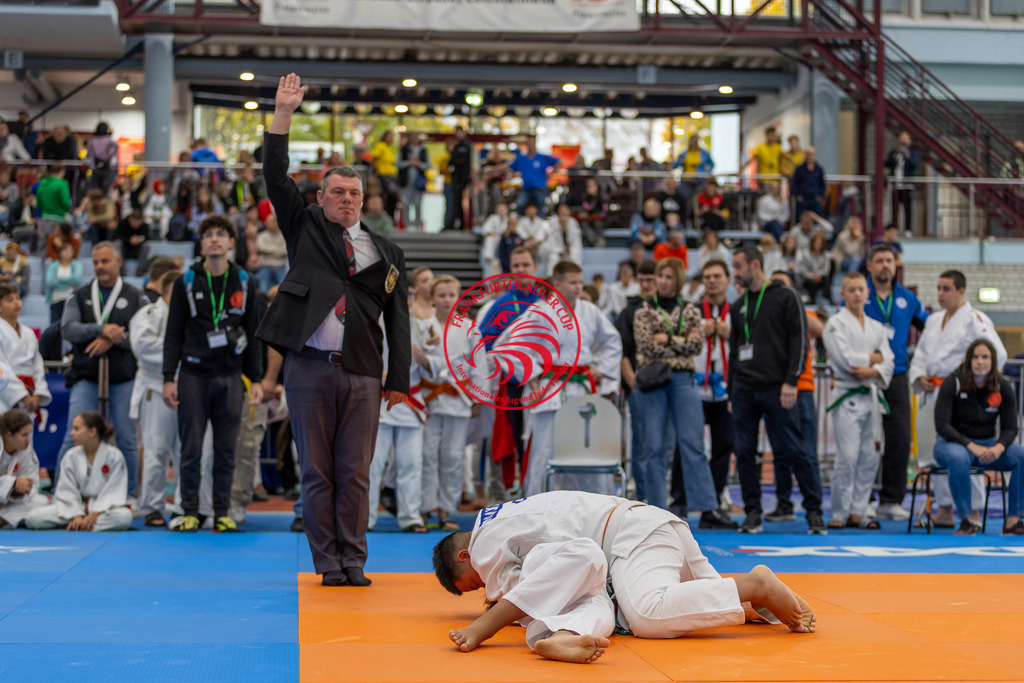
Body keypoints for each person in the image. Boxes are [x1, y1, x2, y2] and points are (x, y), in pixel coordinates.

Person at [258, 73, 410, 587]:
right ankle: (327, 562)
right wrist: (283, 114)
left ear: (365, 200)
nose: (346, 200)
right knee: (316, 473)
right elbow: (275, 175)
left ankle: (354, 560)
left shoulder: (387, 253)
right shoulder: (305, 229)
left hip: (365, 374)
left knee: (356, 474)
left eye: (354, 193)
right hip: (309, 370)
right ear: (320, 198)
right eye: (337, 192)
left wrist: (400, 380)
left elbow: (399, 319)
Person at [433, 491, 816, 663]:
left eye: (475, 582)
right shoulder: (501, 517)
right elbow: (548, 585)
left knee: (646, 615)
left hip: (631, 538)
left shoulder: (483, 541)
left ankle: (755, 584)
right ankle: (754, 599)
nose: (484, 586)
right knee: (591, 598)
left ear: (465, 556)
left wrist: (490, 615)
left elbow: (528, 593)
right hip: (646, 533)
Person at [162, 216, 263, 533]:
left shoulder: (245, 282)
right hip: (194, 373)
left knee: (226, 449)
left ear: (232, 242)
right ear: (202, 243)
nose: (215, 240)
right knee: (191, 448)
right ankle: (190, 510)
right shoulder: (186, 281)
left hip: (231, 376)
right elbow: (173, 333)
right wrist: (169, 377)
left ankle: (223, 511)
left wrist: (256, 378)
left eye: (221, 234)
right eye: (208, 235)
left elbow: (254, 333)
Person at [728, 246, 825, 534]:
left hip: (777, 388)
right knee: (744, 453)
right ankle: (752, 513)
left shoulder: (786, 296)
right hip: (744, 389)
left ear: (755, 265)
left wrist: (791, 380)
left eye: (738, 266)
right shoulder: (738, 306)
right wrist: (733, 390)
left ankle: (814, 511)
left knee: (794, 449)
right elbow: (735, 351)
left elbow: (800, 340)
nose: (735, 272)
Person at [633, 258, 733, 528]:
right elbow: (645, 345)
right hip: (653, 382)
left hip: (683, 381)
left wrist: (666, 339)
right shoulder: (643, 311)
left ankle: (707, 508)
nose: (663, 281)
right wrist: (680, 342)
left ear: (677, 280)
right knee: (654, 448)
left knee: (694, 444)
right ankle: (657, 511)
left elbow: (696, 345)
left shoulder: (691, 310)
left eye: (668, 277)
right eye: (660, 276)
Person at [512, 261, 621, 496]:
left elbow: (612, 341)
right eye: (573, 282)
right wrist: (531, 374)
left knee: (586, 450)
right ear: (557, 283)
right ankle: (537, 508)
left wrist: (601, 368)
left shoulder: (590, 311)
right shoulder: (539, 312)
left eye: (581, 282)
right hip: (550, 389)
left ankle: (592, 508)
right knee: (545, 450)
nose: (578, 287)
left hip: (581, 390)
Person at [909, 269, 1006, 528]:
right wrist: (919, 377)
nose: (941, 294)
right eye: (939, 288)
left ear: (961, 291)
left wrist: (975, 382)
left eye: (946, 289)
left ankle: (973, 510)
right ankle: (944, 509)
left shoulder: (975, 319)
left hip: (962, 395)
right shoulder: (932, 321)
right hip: (933, 394)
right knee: (934, 453)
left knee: (965, 449)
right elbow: (921, 355)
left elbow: (997, 354)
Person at [58, 242, 146, 498]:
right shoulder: (80, 294)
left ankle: (129, 495)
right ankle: (62, 494)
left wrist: (114, 337)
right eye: (96, 262)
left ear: (118, 262)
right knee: (72, 436)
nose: (100, 267)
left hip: (123, 376)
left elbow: (143, 337)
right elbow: (68, 328)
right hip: (86, 374)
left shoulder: (135, 296)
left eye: (105, 261)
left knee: (127, 439)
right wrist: (100, 330)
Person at [822, 273, 894, 529]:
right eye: (850, 290)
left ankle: (859, 511)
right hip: (847, 395)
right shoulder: (835, 324)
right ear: (842, 294)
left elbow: (889, 360)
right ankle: (839, 513)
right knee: (848, 456)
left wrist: (874, 370)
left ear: (867, 293)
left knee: (869, 457)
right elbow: (845, 361)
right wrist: (873, 359)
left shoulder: (876, 327)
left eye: (860, 289)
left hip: (872, 396)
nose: (856, 294)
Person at [862, 245, 928, 521]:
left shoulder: (907, 298)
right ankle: (862, 499)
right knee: (865, 439)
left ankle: (891, 499)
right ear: (870, 266)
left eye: (889, 260)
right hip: (865, 375)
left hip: (898, 375)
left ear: (896, 264)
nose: (885, 266)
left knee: (900, 438)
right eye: (879, 261)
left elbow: (930, 327)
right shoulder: (859, 294)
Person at [933, 339, 1024, 536]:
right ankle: (967, 520)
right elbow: (942, 425)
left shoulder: (1002, 386)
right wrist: (971, 445)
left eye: (985, 357)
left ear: (993, 361)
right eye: (975, 357)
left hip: (988, 445)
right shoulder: (953, 382)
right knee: (959, 457)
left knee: (1020, 455)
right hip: (951, 444)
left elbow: (1010, 428)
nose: (980, 362)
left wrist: (998, 448)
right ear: (968, 360)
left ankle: (1013, 520)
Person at [419, 275, 485, 528]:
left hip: (459, 399)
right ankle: (423, 509)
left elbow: (479, 366)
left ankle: (446, 510)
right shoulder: (424, 326)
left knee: (453, 457)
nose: (447, 300)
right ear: (433, 298)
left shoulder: (470, 328)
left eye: (451, 295)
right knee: (427, 455)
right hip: (429, 399)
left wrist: (478, 397)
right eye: (441, 295)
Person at [764, 270, 824, 524]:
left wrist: (795, 308)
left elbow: (820, 329)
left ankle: (814, 508)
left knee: (806, 451)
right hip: (776, 389)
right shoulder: (766, 315)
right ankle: (783, 503)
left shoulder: (804, 313)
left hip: (804, 388)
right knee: (780, 450)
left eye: (783, 285)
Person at [129, 269, 182, 527]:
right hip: (155, 385)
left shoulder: (192, 315)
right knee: (156, 449)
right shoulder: (147, 315)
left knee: (187, 451)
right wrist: (179, 356)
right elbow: (144, 349)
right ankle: (152, 506)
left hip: (188, 387)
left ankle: (185, 505)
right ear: (165, 290)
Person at [26, 411, 133, 531]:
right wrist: (76, 514)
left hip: (102, 510)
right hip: (74, 508)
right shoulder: (71, 456)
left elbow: (114, 490)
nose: (72, 433)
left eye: (77, 429)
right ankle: (82, 523)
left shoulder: (114, 456)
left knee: (124, 517)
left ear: (92, 432)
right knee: (33, 518)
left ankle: (81, 524)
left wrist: (96, 513)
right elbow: (67, 489)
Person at [693, 260, 736, 509]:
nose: (712, 281)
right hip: (697, 388)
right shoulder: (693, 311)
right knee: (690, 446)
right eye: (707, 276)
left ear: (727, 280)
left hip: (726, 390)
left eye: (717, 276)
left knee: (724, 446)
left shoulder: (738, 311)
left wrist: (732, 333)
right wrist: (702, 332)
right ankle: (686, 498)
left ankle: (715, 498)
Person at [0, 285, 51, 418]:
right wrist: (21, 395)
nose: (16, 302)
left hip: (29, 392)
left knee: (26, 436)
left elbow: (37, 366)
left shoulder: (29, 333)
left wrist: (38, 393)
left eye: (18, 298)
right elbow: (2, 367)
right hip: (4, 394)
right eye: (9, 300)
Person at [0, 409, 49, 528]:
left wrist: (21, 490)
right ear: (8, 434)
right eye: (24, 435)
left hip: (8, 504)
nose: (29, 440)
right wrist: (12, 483)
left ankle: (2, 519)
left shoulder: (27, 451)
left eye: (29, 434)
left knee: (41, 501)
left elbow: (33, 485)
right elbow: (12, 483)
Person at [510, 140, 560, 217]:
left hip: (540, 188)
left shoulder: (542, 157)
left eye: (532, 144)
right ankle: (523, 222)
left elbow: (559, 162)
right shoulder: (522, 159)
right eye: (529, 144)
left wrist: (551, 173)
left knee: (541, 208)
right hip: (526, 189)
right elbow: (510, 167)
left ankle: (540, 225)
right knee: (520, 205)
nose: (531, 146)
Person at [885, 131, 919, 233]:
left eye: (906, 138)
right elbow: (887, 163)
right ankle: (894, 228)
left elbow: (914, 165)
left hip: (907, 185)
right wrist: (896, 155)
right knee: (895, 208)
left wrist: (907, 155)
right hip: (896, 184)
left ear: (909, 141)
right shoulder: (894, 152)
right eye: (902, 137)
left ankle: (907, 229)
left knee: (907, 208)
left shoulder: (913, 153)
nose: (904, 140)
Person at [45, 242, 83, 325]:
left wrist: (59, 279)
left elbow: (76, 280)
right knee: (54, 326)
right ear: (60, 252)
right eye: (65, 250)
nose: (68, 253)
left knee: (70, 325)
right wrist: (68, 283)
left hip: (70, 299)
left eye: (70, 251)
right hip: (56, 299)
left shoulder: (77, 265)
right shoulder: (53, 265)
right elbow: (50, 282)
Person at [397, 132, 428, 231]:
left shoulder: (423, 150)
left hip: (419, 182)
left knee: (418, 203)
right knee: (405, 203)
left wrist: (419, 164)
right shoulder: (404, 150)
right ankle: (406, 225)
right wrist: (409, 163)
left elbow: (428, 165)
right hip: (405, 181)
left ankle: (418, 225)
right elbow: (397, 163)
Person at [36, 163, 73, 242]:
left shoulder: (42, 184)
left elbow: (38, 204)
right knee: (57, 245)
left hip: (44, 218)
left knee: (44, 244)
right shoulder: (62, 183)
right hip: (58, 218)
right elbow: (66, 203)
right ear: (62, 171)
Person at [542, 203, 583, 273]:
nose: (563, 216)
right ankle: (551, 279)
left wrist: (568, 251)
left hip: (570, 252)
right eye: (562, 213)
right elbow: (551, 242)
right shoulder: (552, 223)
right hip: (556, 252)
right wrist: (561, 252)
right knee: (553, 258)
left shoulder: (573, 223)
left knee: (575, 255)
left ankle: (576, 276)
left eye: (565, 213)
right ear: (558, 213)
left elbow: (576, 243)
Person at [445, 126, 472, 231]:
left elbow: (456, 158)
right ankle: (457, 225)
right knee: (456, 202)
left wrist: (453, 153)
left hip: (462, 178)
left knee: (457, 202)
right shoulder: (458, 145)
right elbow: (451, 161)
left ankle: (455, 225)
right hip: (456, 178)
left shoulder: (464, 145)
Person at [795, 232, 832, 305]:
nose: (818, 245)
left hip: (820, 277)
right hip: (808, 277)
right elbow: (803, 269)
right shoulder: (805, 254)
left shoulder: (826, 255)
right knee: (813, 284)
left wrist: (819, 275)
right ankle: (812, 301)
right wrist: (812, 276)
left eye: (820, 243)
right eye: (816, 243)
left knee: (826, 280)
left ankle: (828, 298)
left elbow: (826, 269)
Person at [256, 210, 288, 292]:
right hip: (265, 266)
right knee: (263, 289)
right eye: (267, 221)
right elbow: (261, 248)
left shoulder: (283, 235)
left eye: (270, 221)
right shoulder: (262, 235)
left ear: (276, 223)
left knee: (283, 289)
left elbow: (284, 251)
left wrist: (269, 251)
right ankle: (263, 304)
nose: (267, 223)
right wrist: (277, 250)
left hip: (279, 266)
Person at [791, 146, 826, 218]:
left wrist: (820, 195)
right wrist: (798, 195)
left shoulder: (819, 169)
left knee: (816, 219)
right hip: (802, 199)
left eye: (812, 154)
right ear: (805, 155)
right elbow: (794, 184)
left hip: (815, 199)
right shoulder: (799, 169)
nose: (810, 157)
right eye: (808, 154)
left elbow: (822, 184)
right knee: (801, 218)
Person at [370, 131, 399, 218]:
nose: (391, 138)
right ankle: (387, 217)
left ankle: (390, 218)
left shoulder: (389, 148)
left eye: (392, 137)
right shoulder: (380, 146)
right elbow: (373, 158)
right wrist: (375, 171)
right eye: (389, 136)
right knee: (388, 198)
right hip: (383, 176)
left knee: (392, 198)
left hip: (391, 176)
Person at [85, 122, 118, 194]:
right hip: (107, 168)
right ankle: (104, 204)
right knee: (105, 190)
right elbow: (115, 150)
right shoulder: (110, 141)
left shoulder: (92, 141)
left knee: (96, 190)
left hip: (95, 168)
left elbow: (88, 155)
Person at [578, 177, 609, 247]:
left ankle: (599, 241)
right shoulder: (585, 198)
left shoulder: (602, 197)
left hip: (600, 220)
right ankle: (596, 241)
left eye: (591, 186)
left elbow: (604, 213)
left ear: (597, 186)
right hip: (589, 220)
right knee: (584, 224)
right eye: (588, 186)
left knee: (598, 223)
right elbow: (586, 209)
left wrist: (593, 216)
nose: (589, 188)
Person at [480, 203, 509, 276]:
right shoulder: (492, 218)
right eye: (500, 209)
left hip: (503, 239)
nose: (502, 211)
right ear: (496, 210)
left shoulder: (508, 219)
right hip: (494, 237)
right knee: (489, 239)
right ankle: (489, 258)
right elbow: (486, 229)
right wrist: (491, 234)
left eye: (503, 209)